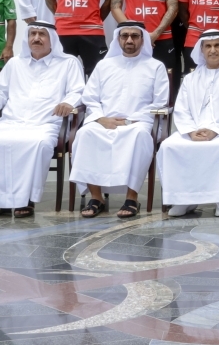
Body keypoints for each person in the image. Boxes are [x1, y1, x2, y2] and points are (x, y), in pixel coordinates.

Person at [0, 21, 86, 218]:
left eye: (42, 34)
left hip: (46, 124)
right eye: (32, 34)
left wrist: (68, 102)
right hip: (11, 122)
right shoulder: (15, 63)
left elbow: (78, 91)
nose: (36, 38)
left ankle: (25, 200)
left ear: (52, 39)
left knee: (37, 143)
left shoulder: (68, 63)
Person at [69, 22, 169, 220]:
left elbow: (160, 102)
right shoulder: (104, 66)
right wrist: (101, 119)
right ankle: (96, 198)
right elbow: (89, 97)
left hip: (138, 122)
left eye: (134, 36)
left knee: (139, 136)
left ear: (142, 39)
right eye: (125, 36)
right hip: (104, 121)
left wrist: (130, 122)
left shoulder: (156, 67)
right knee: (84, 133)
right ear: (118, 39)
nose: (129, 40)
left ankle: (132, 198)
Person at [158, 30, 219, 217]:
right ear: (201, 50)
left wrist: (215, 131)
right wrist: (191, 131)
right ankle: (183, 199)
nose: (213, 50)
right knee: (168, 146)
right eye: (208, 46)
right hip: (193, 129)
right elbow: (181, 108)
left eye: (217, 45)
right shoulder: (190, 78)